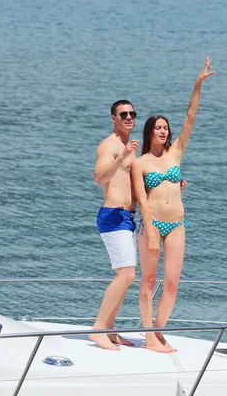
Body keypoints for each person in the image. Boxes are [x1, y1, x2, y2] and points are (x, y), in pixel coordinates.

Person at [130, 57, 215, 353]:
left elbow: (191, 116)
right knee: (148, 281)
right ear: (149, 132)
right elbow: (141, 200)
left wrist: (197, 85)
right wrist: (152, 231)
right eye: (159, 128)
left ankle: (159, 331)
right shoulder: (140, 163)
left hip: (178, 223)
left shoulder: (176, 153)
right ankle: (149, 337)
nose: (164, 131)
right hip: (151, 226)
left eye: (166, 127)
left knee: (171, 285)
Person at [90, 100, 139, 350]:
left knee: (127, 277)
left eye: (132, 114)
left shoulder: (127, 146)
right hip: (112, 215)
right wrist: (122, 156)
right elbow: (99, 177)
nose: (129, 117)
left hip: (127, 218)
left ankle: (109, 329)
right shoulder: (109, 146)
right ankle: (98, 328)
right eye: (123, 114)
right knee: (126, 275)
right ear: (113, 118)